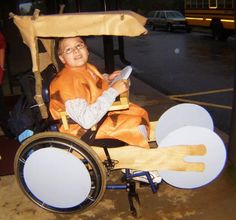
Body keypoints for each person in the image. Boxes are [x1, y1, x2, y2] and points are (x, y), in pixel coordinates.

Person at [49, 36, 161, 183]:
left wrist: (108, 79)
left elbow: (90, 83)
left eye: (79, 45)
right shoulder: (66, 82)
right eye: (69, 50)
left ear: (87, 49)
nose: (76, 51)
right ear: (62, 58)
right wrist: (113, 91)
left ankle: (136, 153)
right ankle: (137, 165)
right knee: (133, 123)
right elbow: (86, 120)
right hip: (83, 131)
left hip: (97, 119)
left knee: (137, 111)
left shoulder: (85, 68)